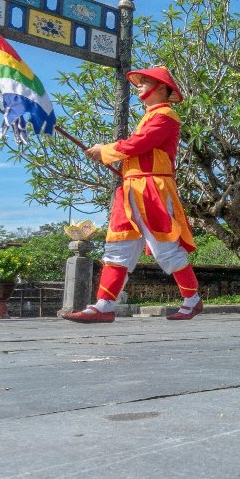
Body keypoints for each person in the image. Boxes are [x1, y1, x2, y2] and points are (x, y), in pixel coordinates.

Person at [63, 67, 201, 323]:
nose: (139, 85)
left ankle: (192, 299)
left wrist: (105, 150)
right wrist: (107, 153)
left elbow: (139, 144)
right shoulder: (149, 117)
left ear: (161, 88)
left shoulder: (166, 116)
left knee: (165, 248)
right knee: (118, 246)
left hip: (153, 189)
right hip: (130, 189)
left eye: (145, 81)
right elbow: (137, 150)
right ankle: (104, 305)